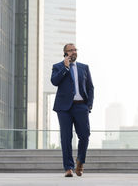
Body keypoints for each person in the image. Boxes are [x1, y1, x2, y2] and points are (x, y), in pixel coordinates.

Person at [50, 43, 94, 177]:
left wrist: (89, 106)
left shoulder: (84, 68)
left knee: (85, 136)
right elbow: (54, 81)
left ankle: (80, 161)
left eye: (75, 50)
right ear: (65, 53)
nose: (74, 52)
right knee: (66, 138)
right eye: (70, 50)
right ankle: (68, 168)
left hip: (81, 106)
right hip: (64, 108)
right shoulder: (58, 67)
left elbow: (90, 87)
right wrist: (65, 67)